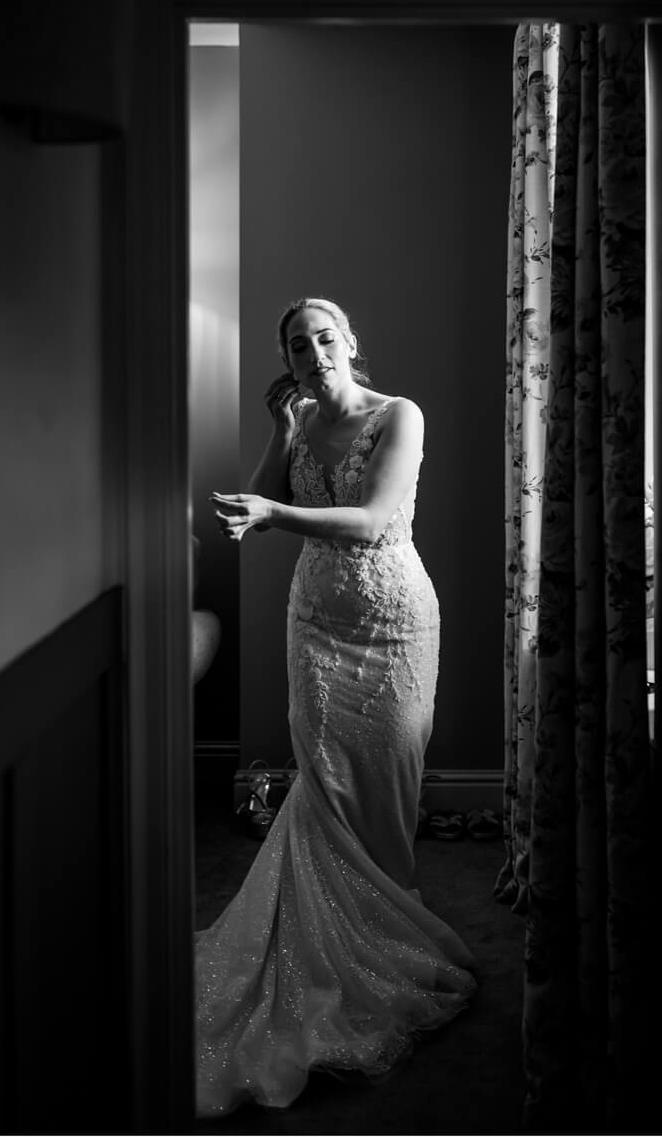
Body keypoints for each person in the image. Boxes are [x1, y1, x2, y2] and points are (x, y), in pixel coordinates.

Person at [196, 298, 474, 1117]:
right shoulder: (300, 420)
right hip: (315, 621)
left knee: (388, 779)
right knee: (324, 780)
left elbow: (373, 520)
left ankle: (387, 926)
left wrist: (277, 513)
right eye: (296, 342)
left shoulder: (399, 416)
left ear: (351, 343)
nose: (312, 351)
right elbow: (251, 506)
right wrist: (280, 443)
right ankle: (330, 938)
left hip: (392, 622)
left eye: (324, 337)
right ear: (287, 356)